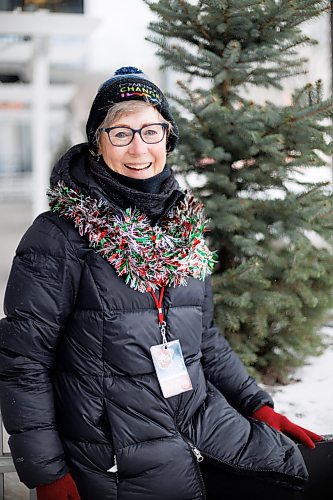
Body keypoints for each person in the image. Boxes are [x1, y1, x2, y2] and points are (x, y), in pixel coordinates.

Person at [0, 66, 323, 500]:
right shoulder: (59, 235)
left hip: (205, 429)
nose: (139, 148)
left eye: (152, 131)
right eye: (121, 133)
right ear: (97, 143)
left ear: (167, 140)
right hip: (114, 459)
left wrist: (257, 405)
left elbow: (206, 339)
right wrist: (48, 475)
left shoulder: (183, 228)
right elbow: (23, 362)